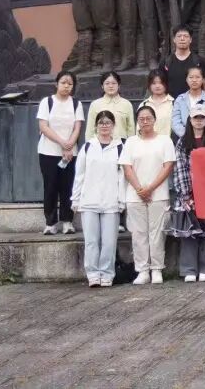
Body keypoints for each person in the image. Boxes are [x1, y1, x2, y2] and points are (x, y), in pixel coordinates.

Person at [119, 105, 176, 285]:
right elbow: (127, 167)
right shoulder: (131, 142)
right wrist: (140, 189)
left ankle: (157, 269)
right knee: (138, 234)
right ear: (137, 121)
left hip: (158, 194)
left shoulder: (165, 140)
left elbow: (168, 166)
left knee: (157, 233)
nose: (145, 122)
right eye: (141, 119)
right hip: (134, 195)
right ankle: (142, 270)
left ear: (154, 120)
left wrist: (150, 188)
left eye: (148, 118)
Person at [71, 110, 125, 287]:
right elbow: (79, 175)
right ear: (95, 125)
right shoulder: (88, 147)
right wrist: (75, 199)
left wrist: (121, 200)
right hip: (89, 201)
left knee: (109, 242)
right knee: (92, 241)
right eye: (101, 122)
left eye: (108, 122)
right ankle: (92, 273)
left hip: (111, 202)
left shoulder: (119, 147)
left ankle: (107, 273)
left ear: (113, 125)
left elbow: (122, 177)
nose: (104, 126)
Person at [172, 103, 205, 282]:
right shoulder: (182, 142)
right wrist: (186, 195)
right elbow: (180, 168)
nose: (199, 121)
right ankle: (189, 269)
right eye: (195, 118)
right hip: (189, 194)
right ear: (190, 120)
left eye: (202, 118)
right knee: (189, 231)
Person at [36, 70, 84, 235]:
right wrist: (62, 142)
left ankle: (67, 221)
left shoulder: (76, 104)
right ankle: (50, 223)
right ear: (56, 84)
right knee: (50, 186)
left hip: (70, 154)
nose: (66, 86)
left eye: (70, 83)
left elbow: (77, 127)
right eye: (63, 82)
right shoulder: (47, 102)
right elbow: (43, 127)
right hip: (48, 152)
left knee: (68, 187)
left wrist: (69, 145)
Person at [85, 71, 135, 141]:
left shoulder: (126, 104)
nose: (110, 86)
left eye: (114, 83)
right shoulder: (95, 104)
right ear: (102, 86)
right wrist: (89, 145)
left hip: (121, 144)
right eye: (107, 83)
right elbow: (90, 130)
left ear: (119, 85)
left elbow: (131, 129)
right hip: (100, 144)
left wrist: (131, 145)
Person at [171, 65, 205, 139]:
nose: (194, 80)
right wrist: (187, 135)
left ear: (202, 79)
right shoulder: (180, 99)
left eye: (197, 77)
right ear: (186, 79)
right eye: (191, 77)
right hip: (185, 138)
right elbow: (175, 122)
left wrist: (203, 135)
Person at [161, 26, 205, 98]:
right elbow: (161, 83)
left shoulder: (199, 61)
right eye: (179, 36)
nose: (182, 39)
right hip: (171, 101)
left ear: (190, 40)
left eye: (185, 36)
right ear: (174, 39)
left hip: (194, 101)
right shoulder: (166, 62)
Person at [141, 69, 174, 137]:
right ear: (149, 85)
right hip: (148, 142)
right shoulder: (144, 104)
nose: (157, 86)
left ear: (166, 84)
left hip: (168, 142)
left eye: (161, 83)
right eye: (154, 83)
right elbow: (139, 129)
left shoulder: (174, 103)